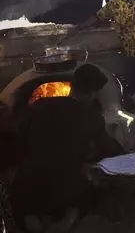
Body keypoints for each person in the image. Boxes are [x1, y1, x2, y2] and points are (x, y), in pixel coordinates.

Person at [10, 64, 124, 233]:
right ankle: (68, 219)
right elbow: (107, 148)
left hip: (31, 180)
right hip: (66, 183)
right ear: (92, 94)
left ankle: (31, 218)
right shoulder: (92, 116)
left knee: (27, 182)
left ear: (71, 86)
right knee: (92, 185)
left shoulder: (40, 105)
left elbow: (19, 137)